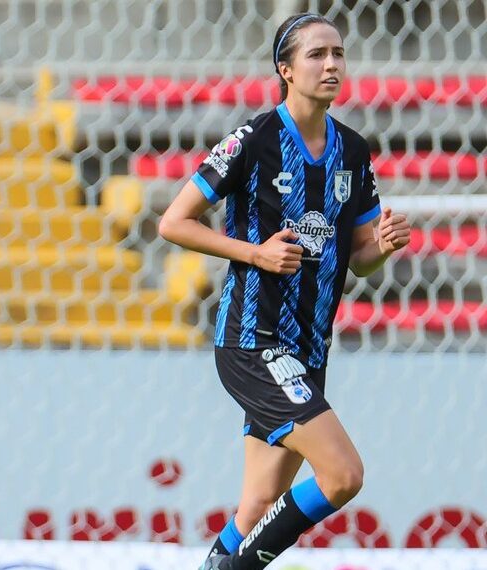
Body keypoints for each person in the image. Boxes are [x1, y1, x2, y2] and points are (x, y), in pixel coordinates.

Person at [158, 13, 412, 570]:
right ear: (286, 69)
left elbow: (359, 262)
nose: (331, 65)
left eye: (338, 54)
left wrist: (384, 246)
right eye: (317, 54)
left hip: (308, 352)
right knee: (343, 475)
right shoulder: (253, 141)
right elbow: (173, 222)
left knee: (254, 508)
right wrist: (256, 253)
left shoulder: (352, 150)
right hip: (254, 342)